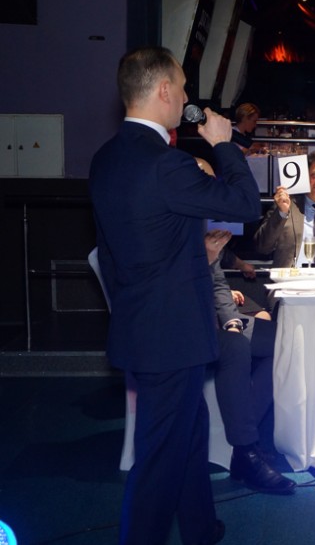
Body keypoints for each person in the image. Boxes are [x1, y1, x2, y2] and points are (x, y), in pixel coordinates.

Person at [89, 46, 261, 544]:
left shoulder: (106, 158)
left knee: (189, 433)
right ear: (164, 90)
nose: (186, 99)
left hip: (141, 324)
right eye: (183, 88)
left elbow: (122, 248)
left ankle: (201, 528)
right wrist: (224, 145)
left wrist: (191, 258)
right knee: (159, 459)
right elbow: (245, 204)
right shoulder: (167, 164)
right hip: (171, 335)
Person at [205, 232, 295, 494]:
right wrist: (205, 259)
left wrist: (232, 322)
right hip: (184, 323)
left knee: (285, 342)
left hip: (217, 318)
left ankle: (246, 444)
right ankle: (246, 450)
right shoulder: (165, 231)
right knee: (236, 348)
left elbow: (218, 283)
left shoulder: (203, 234)